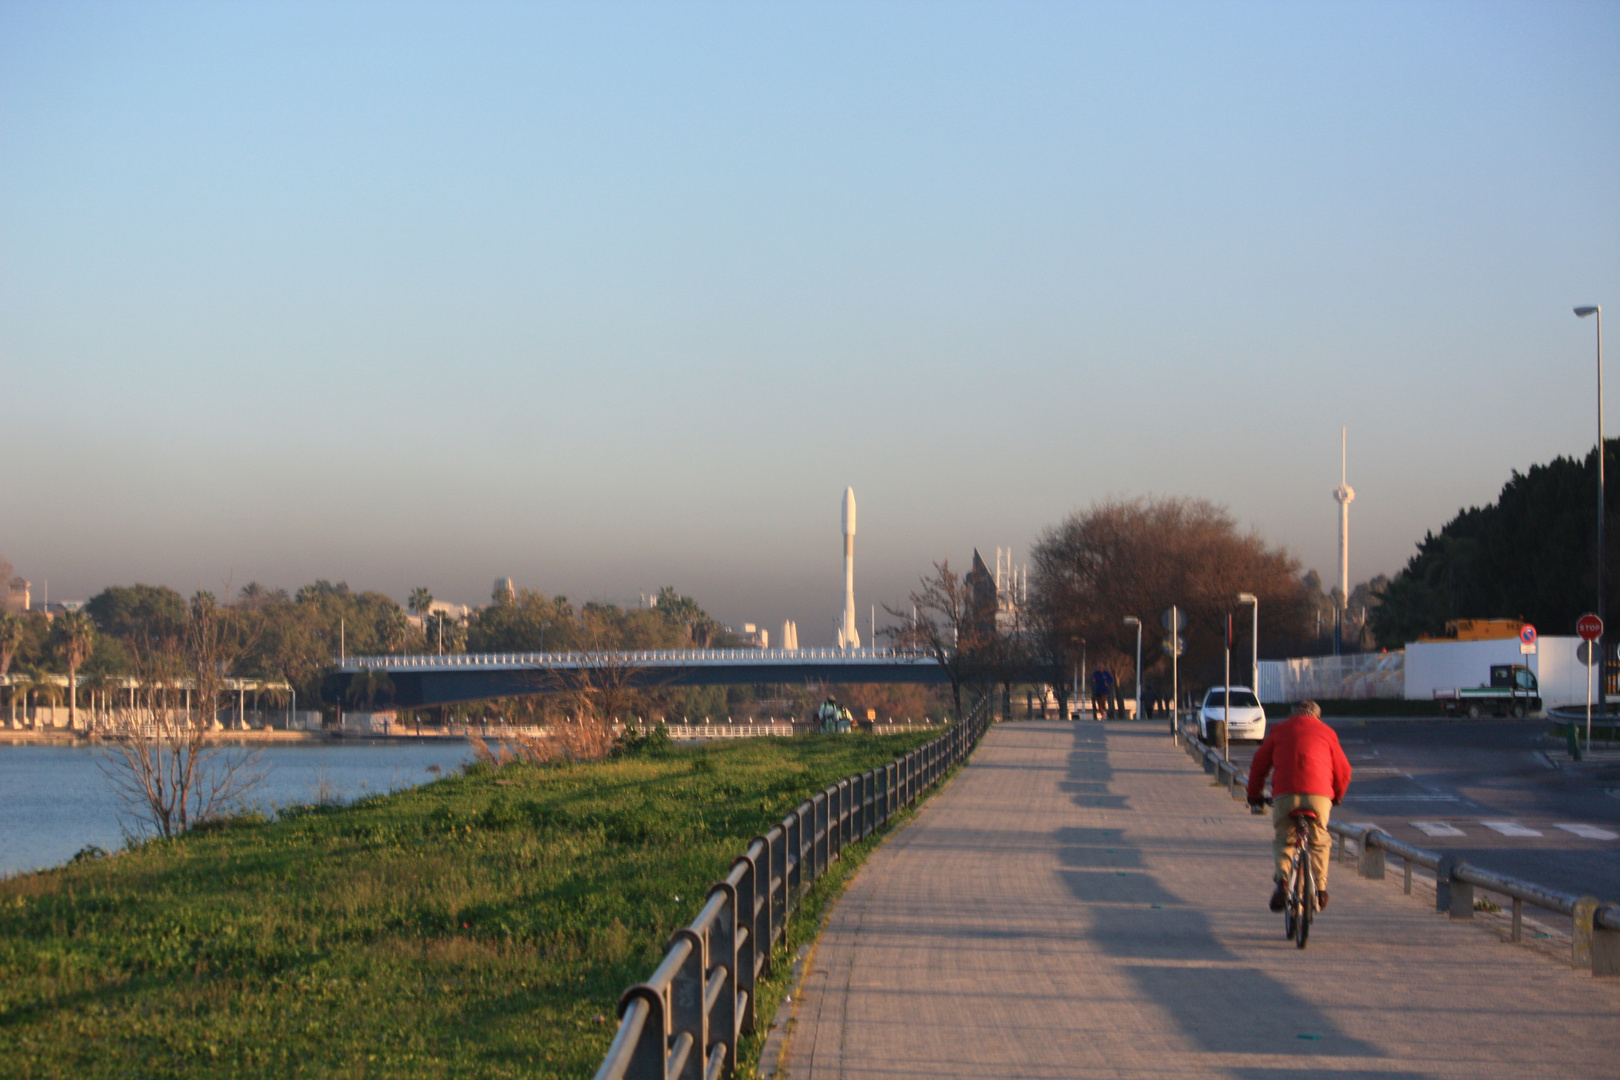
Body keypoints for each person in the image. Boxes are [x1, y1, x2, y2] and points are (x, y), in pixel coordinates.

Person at [1245, 700, 1352, 912]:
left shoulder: (1279, 730)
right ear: (1317, 716)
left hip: (1285, 795)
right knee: (1319, 840)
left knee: (1284, 839)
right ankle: (1320, 890)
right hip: (1319, 796)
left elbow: (1259, 765)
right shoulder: (1327, 732)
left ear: (1292, 714)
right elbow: (1343, 770)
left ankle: (1283, 882)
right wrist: (1337, 797)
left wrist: (1254, 796)